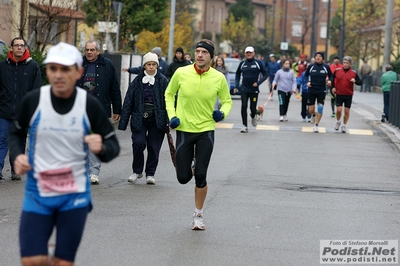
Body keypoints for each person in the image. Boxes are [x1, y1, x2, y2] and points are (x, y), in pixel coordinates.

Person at [8, 42, 120, 266]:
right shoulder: (34, 100)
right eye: (53, 69)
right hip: (38, 194)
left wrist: (101, 148)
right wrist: (18, 155)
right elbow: (16, 133)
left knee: (63, 262)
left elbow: (112, 146)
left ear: (78, 72)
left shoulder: (88, 105)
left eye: (65, 69)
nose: (58, 75)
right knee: (32, 260)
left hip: (74, 196)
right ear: (47, 71)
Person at [164, 39, 232, 230]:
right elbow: (169, 94)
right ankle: (190, 165)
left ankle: (198, 215)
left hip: (206, 130)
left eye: (204, 52)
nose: (200, 55)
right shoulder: (181, 72)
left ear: (212, 56)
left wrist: (222, 113)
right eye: (198, 51)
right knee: (183, 178)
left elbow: (227, 101)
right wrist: (172, 116)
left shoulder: (218, 78)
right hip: (184, 129)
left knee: (201, 175)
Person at [118, 52, 169, 185]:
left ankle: (150, 173)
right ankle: (137, 171)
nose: (151, 67)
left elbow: (169, 100)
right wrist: (123, 121)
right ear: (144, 66)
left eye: (154, 64)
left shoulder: (163, 80)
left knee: (154, 146)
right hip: (139, 117)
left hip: (157, 118)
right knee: (138, 142)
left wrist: (170, 119)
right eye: (148, 64)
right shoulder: (137, 81)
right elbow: (129, 100)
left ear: (157, 65)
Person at [76, 40, 122, 184]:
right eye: (87, 50)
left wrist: (117, 108)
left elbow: (114, 87)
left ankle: (93, 172)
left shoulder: (107, 65)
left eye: (92, 50)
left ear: (98, 51)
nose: (89, 52)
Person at [0, 37, 42, 180]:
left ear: (25, 48)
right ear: (11, 48)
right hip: (4, 111)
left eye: (21, 45)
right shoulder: (2, 66)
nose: (19, 47)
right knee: (2, 139)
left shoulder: (33, 67)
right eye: (16, 45)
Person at [234, 46, 268, 133]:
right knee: (244, 106)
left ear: (254, 53)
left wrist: (258, 83)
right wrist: (237, 86)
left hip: (254, 90)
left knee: (253, 108)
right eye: (247, 53)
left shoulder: (258, 63)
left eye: (250, 52)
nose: (248, 54)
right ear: (245, 54)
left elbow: (265, 74)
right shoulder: (242, 63)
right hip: (244, 89)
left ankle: (253, 116)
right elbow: (237, 74)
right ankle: (244, 126)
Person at [304, 52, 333, 133]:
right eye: (316, 56)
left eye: (320, 56)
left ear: (322, 58)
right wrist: (307, 82)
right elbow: (306, 75)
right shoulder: (311, 66)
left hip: (321, 89)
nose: (318, 57)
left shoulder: (326, 67)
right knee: (311, 109)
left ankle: (316, 125)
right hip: (312, 89)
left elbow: (331, 75)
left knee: (320, 108)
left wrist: (330, 81)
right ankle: (313, 115)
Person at [331, 56, 362, 133]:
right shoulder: (337, 71)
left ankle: (344, 125)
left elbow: (360, 82)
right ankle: (338, 122)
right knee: (339, 110)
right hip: (339, 93)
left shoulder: (353, 73)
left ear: (350, 64)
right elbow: (332, 79)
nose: (345, 64)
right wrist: (333, 87)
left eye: (347, 63)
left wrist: (355, 81)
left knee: (347, 111)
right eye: (344, 63)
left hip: (348, 94)